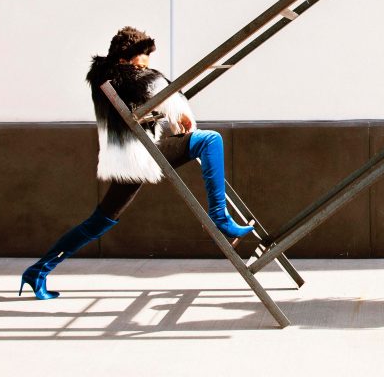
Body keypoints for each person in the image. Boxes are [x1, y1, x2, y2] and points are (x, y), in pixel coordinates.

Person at [20, 26, 254, 300]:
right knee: (210, 140)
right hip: (141, 155)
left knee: (99, 222)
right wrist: (181, 113)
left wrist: (172, 117)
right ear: (123, 59)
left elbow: (148, 105)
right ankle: (219, 218)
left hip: (128, 159)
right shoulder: (122, 77)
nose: (146, 64)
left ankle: (38, 271)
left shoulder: (106, 79)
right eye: (141, 59)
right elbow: (163, 90)